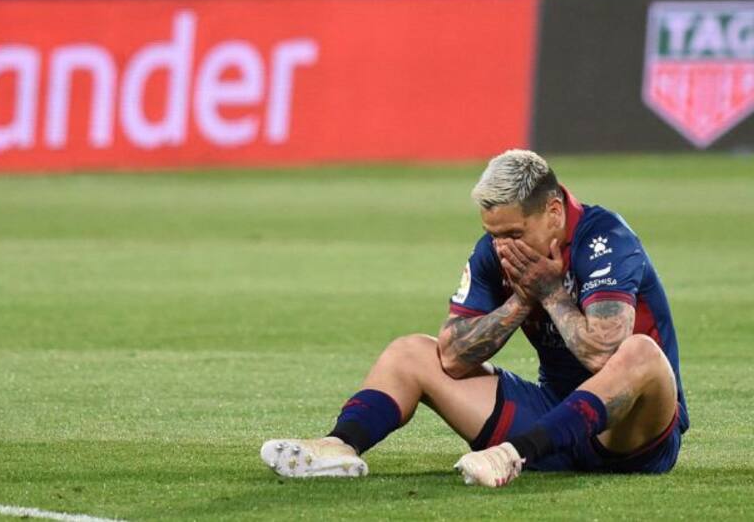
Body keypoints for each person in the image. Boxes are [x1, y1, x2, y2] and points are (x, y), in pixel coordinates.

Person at [261, 149, 688, 487]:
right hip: (551, 418)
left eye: (514, 234)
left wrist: (551, 294)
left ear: (554, 213)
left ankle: (512, 454)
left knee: (640, 354)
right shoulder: (497, 253)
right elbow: (451, 357)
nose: (502, 248)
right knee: (411, 352)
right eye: (493, 234)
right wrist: (520, 302)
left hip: (627, 436)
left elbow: (603, 354)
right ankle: (339, 446)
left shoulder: (604, 239)